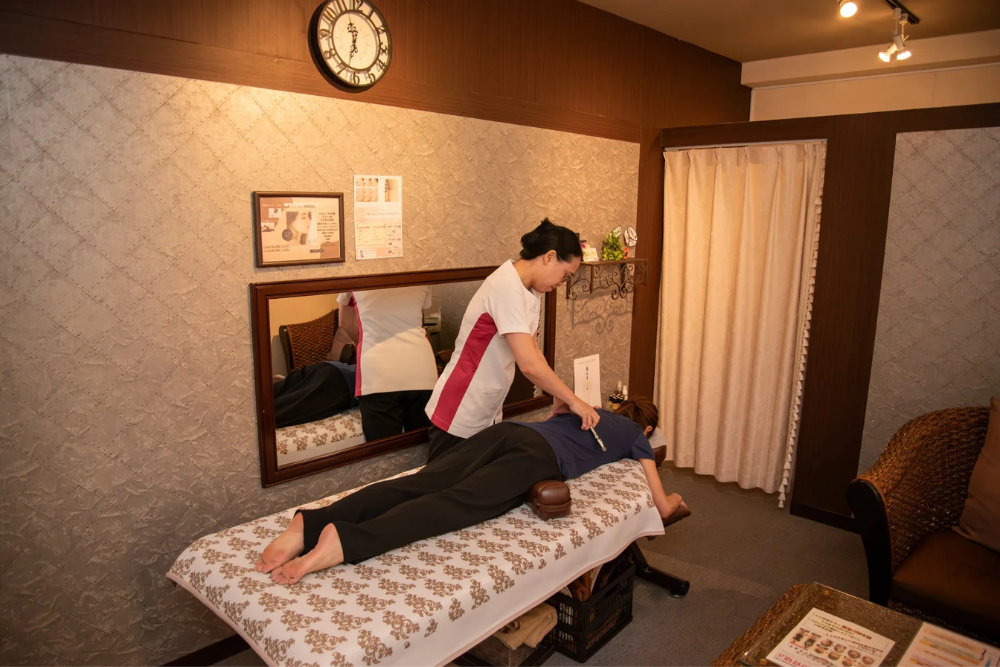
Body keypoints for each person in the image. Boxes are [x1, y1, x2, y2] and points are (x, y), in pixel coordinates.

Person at [256, 399, 686, 585]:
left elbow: (552, 417)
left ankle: (308, 524)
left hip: (510, 432)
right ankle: (347, 541)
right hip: (537, 458)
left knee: (422, 481)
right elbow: (659, 501)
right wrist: (673, 503)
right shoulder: (636, 436)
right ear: (647, 426)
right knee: (456, 503)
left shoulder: (588, 408)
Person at [423, 218, 600, 462]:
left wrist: (558, 395)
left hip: (486, 403)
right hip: (461, 404)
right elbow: (528, 364)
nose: (562, 283)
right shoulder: (506, 287)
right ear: (549, 257)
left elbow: (534, 351)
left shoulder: (531, 290)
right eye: (565, 275)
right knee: (442, 481)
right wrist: (574, 400)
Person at [340, 285, 438, 442]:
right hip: (422, 369)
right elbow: (419, 319)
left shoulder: (352, 275)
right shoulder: (421, 276)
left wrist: (370, 343)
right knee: (422, 447)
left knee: (384, 452)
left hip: (378, 372)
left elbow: (345, 323)